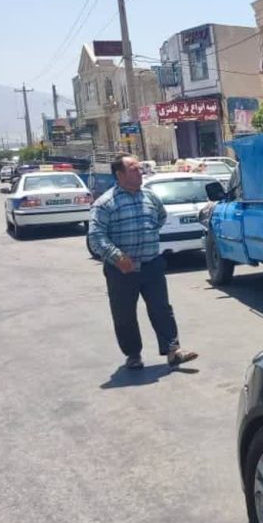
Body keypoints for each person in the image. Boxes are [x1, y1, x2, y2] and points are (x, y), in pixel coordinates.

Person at [88, 154, 198, 370]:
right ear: (119, 174)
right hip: (121, 270)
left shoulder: (150, 197)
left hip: (151, 264)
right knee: (124, 314)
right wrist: (117, 256)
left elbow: (160, 217)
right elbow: (96, 236)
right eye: (133, 169)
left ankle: (173, 351)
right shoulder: (105, 203)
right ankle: (133, 354)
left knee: (161, 308)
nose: (140, 172)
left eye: (140, 168)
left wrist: (146, 238)